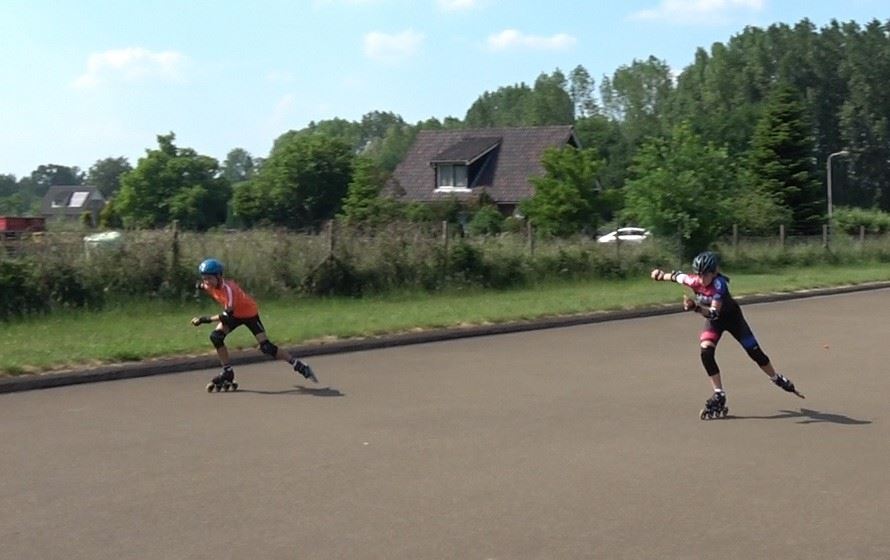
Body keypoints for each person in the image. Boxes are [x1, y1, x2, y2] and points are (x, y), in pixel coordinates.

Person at [651, 251, 803, 419]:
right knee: (706, 352)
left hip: (733, 320)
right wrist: (660, 275)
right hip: (716, 323)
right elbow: (676, 276)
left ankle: (775, 377)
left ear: (714, 273)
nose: (701, 278)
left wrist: (696, 308)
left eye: (705, 275)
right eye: (699, 274)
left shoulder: (719, 285)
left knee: (755, 353)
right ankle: (719, 394)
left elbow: (714, 313)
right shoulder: (693, 280)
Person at [191, 258, 318, 392]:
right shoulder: (208, 285)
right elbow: (203, 286)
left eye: (209, 278)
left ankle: (298, 364)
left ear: (219, 276)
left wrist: (203, 320)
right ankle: (227, 371)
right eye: (204, 278)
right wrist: (199, 286)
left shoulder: (229, 289)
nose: (207, 282)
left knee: (267, 347)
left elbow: (226, 316)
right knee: (216, 337)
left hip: (249, 314)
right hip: (234, 315)